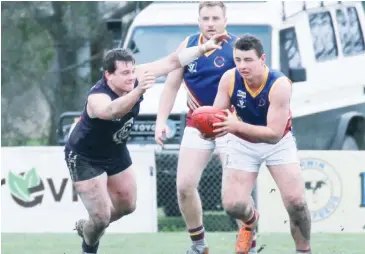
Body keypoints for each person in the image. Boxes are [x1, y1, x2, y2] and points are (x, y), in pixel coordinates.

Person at [63, 34, 228, 254]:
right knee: (102, 216)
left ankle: (90, 226)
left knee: (128, 205)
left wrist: (202, 48)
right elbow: (112, 110)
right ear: (108, 75)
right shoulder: (98, 97)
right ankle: (89, 245)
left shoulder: (136, 76)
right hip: (85, 157)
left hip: (115, 151)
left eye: (132, 71)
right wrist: (138, 90)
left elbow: (172, 61)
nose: (131, 77)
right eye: (124, 73)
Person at [155, 2, 257, 254]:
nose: (210, 23)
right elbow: (170, 86)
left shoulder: (237, 47)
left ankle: (249, 240)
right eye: (205, 18)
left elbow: (254, 86)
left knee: (234, 195)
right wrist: (160, 122)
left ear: (225, 20)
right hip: (196, 123)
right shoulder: (188, 45)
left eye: (215, 18)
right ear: (198, 21)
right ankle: (199, 244)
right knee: (184, 186)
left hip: (229, 123)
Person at [212, 34, 312, 254]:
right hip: (241, 143)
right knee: (232, 205)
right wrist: (208, 130)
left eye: (248, 60)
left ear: (262, 59)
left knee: (296, 202)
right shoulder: (229, 79)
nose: (242, 66)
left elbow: (274, 134)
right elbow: (217, 117)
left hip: (278, 143)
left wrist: (235, 126)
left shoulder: (280, 84)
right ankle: (250, 221)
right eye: (238, 60)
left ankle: (304, 250)